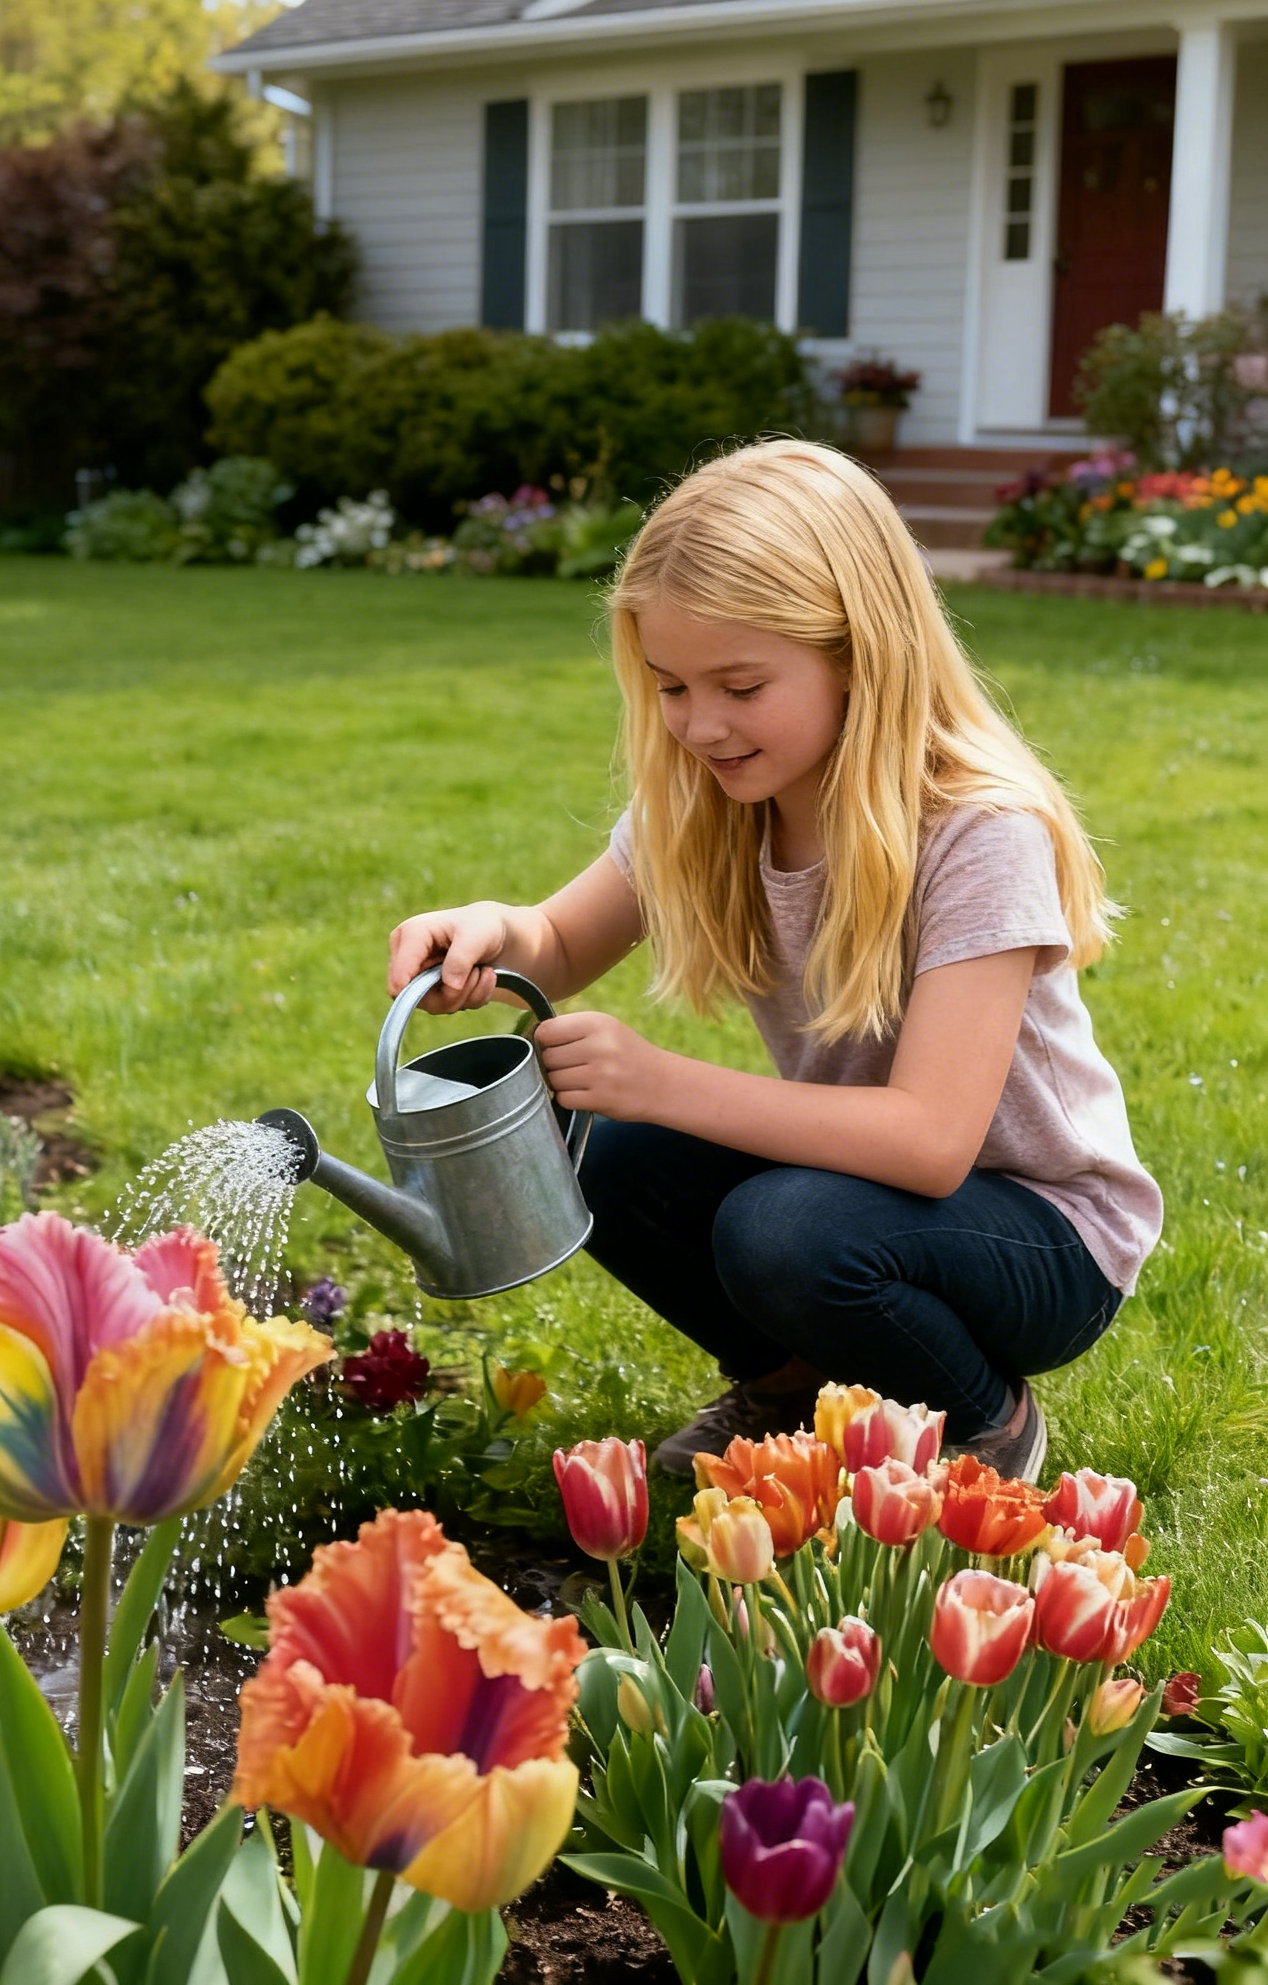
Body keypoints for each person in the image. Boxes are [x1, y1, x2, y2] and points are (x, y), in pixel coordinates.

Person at [386, 441, 1159, 1482]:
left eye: (740, 685)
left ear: (859, 652)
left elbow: (932, 1142)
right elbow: (561, 942)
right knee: (586, 1138)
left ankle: (982, 1424)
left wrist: (663, 1081)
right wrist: (491, 929)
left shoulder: (974, 830)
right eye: (669, 686)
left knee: (780, 1226)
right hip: (856, 1188)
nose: (700, 724)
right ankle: (788, 1385)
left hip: (1041, 1236)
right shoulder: (709, 808)